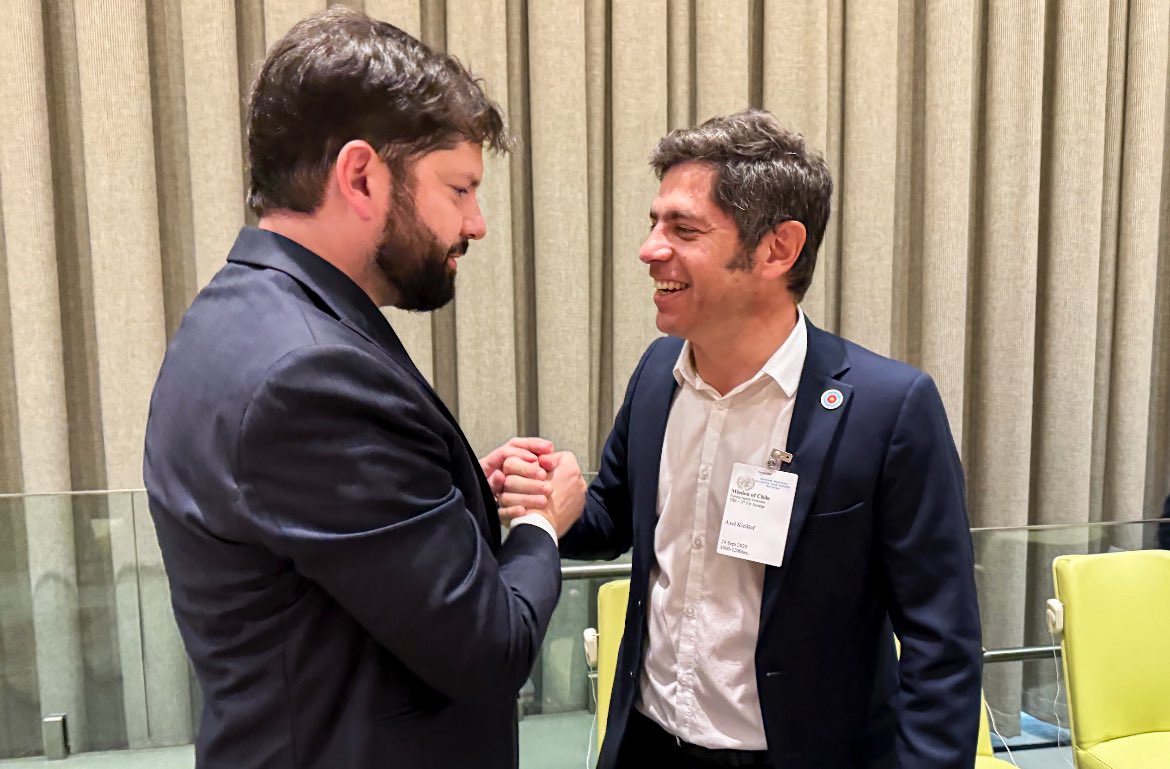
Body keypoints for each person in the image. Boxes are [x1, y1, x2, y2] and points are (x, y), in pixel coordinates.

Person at [143, 8, 583, 769]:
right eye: (458, 188)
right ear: (360, 176)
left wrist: (445, 497)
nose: (476, 224)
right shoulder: (309, 376)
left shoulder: (239, 315)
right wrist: (541, 525)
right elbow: (490, 647)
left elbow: (321, 553)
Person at [502, 110, 983, 769]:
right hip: (650, 743)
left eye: (683, 228)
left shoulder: (888, 409)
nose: (649, 249)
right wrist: (544, 498)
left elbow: (941, 642)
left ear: (778, 249)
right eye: (653, 222)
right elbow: (611, 515)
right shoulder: (656, 375)